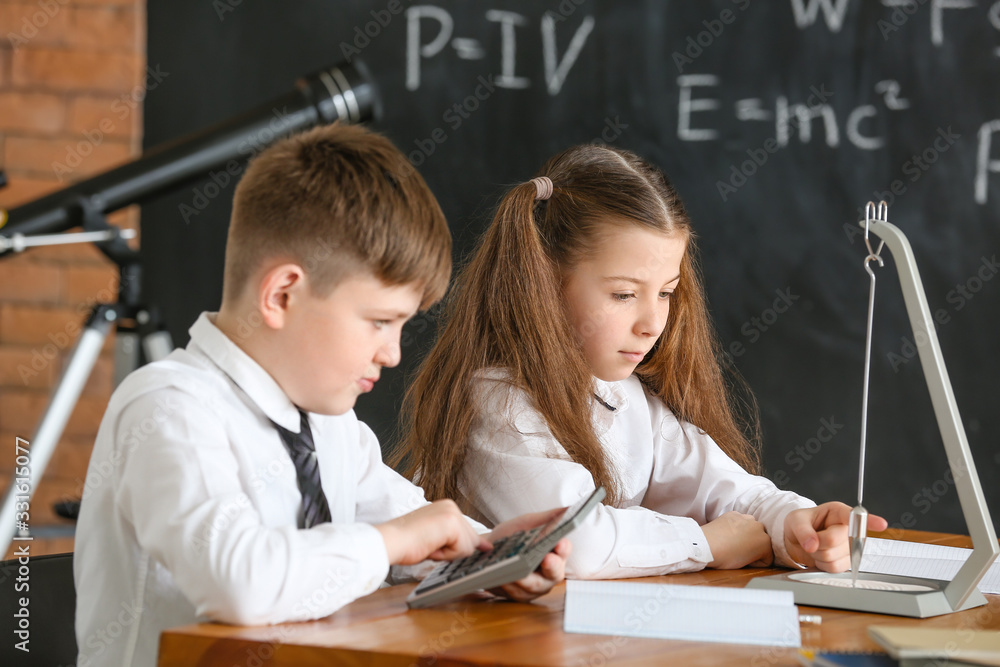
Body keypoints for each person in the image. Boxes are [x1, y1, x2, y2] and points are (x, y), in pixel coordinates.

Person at [73, 123, 569, 667]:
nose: (393, 354)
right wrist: (393, 542)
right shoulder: (169, 407)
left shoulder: (329, 424)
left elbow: (417, 530)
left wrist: (490, 553)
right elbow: (240, 583)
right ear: (282, 294)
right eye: (380, 321)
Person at [394, 144, 886, 580]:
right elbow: (576, 543)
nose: (653, 323)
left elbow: (727, 489)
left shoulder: (622, 397)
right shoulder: (498, 403)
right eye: (625, 294)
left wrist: (796, 524)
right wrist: (706, 545)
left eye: (667, 293)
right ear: (544, 281)